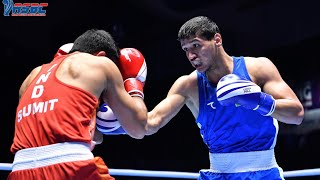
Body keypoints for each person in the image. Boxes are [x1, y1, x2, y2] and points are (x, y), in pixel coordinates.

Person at [145, 16, 304, 179]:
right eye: (186, 50)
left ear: (217, 39)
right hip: (218, 174)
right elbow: (151, 123)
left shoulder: (258, 69)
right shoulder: (188, 85)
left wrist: (257, 100)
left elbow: (296, 115)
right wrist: (121, 114)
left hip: (264, 173)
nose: (191, 55)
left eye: (196, 45)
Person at [8, 29, 148, 180]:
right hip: (70, 166)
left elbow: (92, 136)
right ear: (101, 56)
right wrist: (134, 84)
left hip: (20, 169)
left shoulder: (32, 77)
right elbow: (138, 128)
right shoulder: (101, 64)